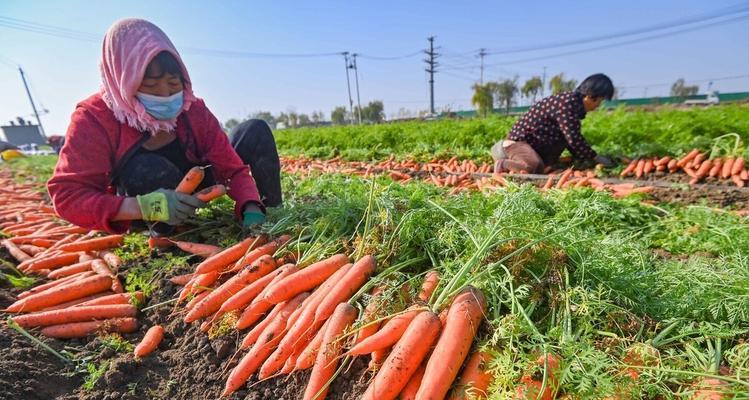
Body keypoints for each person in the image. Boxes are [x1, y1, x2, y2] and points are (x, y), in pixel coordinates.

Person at [47, 18, 282, 235]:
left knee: (254, 130)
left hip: (196, 189)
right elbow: (68, 197)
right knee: (146, 167)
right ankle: (163, 233)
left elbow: (232, 168)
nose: (165, 94)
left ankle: (270, 212)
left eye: (173, 83)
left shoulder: (191, 108)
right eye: (150, 85)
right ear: (124, 80)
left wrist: (250, 205)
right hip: (141, 204)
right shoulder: (94, 117)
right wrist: (144, 206)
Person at [491, 73, 615, 174]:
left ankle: (533, 164)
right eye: (600, 100)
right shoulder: (567, 103)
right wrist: (595, 157)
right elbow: (573, 138)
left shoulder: (573, 106)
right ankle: (503, 164)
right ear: (590, 95)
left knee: (557, 165)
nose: (599, 105)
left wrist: (587, 159)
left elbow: (570, 141)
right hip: (515, 146)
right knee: (534, 167)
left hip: (530, 149)